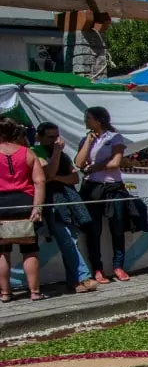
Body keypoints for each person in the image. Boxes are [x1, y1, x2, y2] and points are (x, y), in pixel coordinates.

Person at [31, 123, 95, 294]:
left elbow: (74, 178)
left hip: (67, 201)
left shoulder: (63, 155)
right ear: (39, 137)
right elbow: (48, 174)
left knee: (71, 239)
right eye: (50, 137)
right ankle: (83, 277)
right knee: (67, 239)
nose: (54, 141)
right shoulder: (35, 152)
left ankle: (74, 281)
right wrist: (57, 154)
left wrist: (57, 178)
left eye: (56, 136)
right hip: (51, 202)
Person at [74, 106, 129, 284]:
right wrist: (88, 143)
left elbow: (115, 162)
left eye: (89, 118)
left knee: (117, 227)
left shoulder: (114, 137)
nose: (86, 121)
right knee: (94, 230)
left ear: (99, 120)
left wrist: (95, 167)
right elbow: (79, 163)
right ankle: (97, 268)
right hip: (93, 187)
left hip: (113, 186)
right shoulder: (86, 139)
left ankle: (118, 265)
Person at [0, 118, 45, 301]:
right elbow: (39, 181)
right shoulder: (28, 153)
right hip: (26, 203)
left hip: (1, 205)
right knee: (30, 249)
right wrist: (38, 207)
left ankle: (5, 293)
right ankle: (34, 292)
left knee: (2, 251)